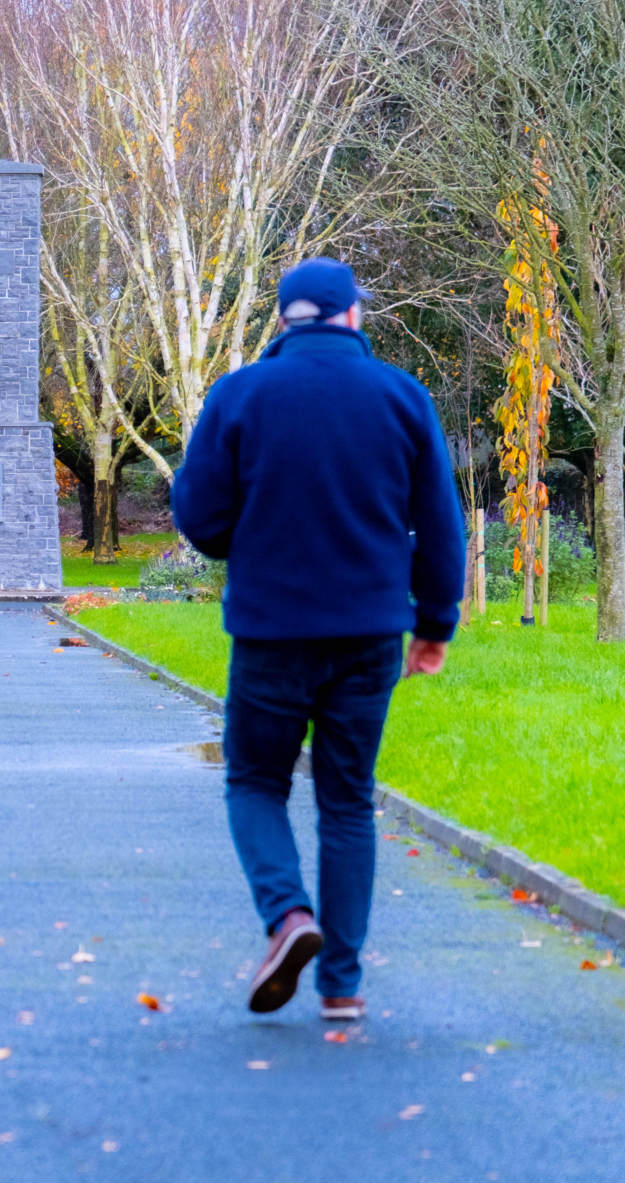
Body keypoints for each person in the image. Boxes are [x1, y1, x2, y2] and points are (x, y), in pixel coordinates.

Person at [171, 256, 465, 1022]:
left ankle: (288, 915)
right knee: (347, 802)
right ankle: (342, 983)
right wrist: (435, 624)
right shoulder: (402, 396)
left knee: (254, 782)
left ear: (282, 320)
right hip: (370, 634)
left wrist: (251, 537)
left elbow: (199, 518)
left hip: (270, 634)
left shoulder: (239, 395)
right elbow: (441, 525)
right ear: (352, 315)